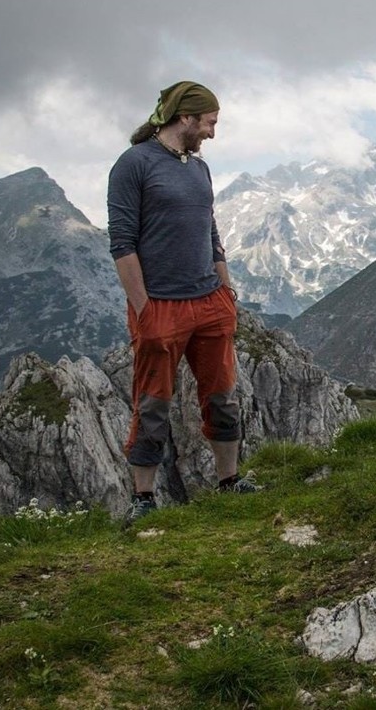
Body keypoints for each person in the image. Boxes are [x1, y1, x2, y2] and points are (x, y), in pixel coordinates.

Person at [107, 81, 262, 525]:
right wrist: (143, 309)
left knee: (223, 396)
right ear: (186, 118)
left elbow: (210, 233)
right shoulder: (133, 164)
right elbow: (122, 243)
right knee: (153, 403)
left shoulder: (199, 169)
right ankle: (143, 498)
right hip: (161, 307)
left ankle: (229, 482)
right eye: (210, 122)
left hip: (210, 302)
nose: (213, 132)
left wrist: (226, 293)